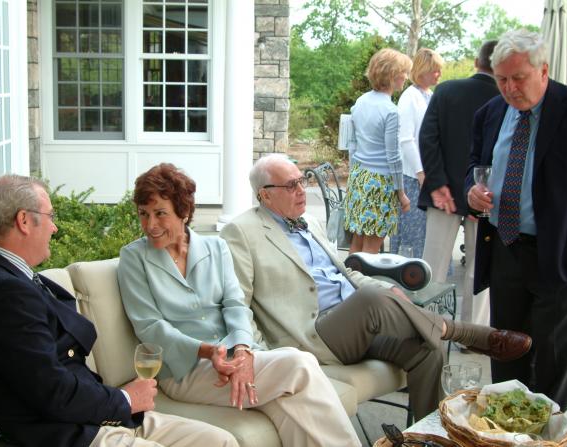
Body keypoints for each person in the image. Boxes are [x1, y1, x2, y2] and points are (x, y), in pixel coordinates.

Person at [220, 153, 533, 420]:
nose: (302, 190)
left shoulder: (309, 223)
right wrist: (259, 356)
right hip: (313, 335)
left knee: (428, 349)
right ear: (264, 194)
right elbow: (238, 301)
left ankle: (425, 436)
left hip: (354, 324)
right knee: (374, 297)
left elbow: (343, 274)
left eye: (302, 180)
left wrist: (388, 295)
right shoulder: (243, 232)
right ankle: (468, 333)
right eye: (291, 185)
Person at [0, 175, 238, 447]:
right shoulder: (3, 292)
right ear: (24, 220)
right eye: (51, 216)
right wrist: (125, 399)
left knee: (220, 441)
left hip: (90, 412)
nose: (54, 227)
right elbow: (51, 391)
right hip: (52, 432)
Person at [117, 163, 360, 447]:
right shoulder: (134, 258)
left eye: (160, 214)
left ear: (183, 212)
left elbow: (235, 304)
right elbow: (150, 327)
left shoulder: (215, 248)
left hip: (236, 357)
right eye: (143, 215)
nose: (150, 225)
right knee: (300, 363)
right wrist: (211, 352)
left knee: (292, 407)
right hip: (186, 369)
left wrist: (242, 352)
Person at [465, 30, 567, 409]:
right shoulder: (490, 113)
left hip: (563, 255)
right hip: (505, 249)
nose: (510, 88)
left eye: (519, 78)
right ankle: (504, 433)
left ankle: (548, 435)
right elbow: (475, 167)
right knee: (506, 355)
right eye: (502, 79)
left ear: (543, 70)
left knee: (553, 363)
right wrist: (471, 190)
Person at [418, 40, 500, 327]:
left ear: (477, 61)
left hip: (444, 194)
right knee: (480, 269)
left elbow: (427, 139)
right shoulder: (505, 99)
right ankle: (473, 334)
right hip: (487, 195)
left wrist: (438, 182)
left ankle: (428, 327)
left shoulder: (447, 90)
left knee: (433, 266)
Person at [343, 48, 412, 254]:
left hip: (359, 177)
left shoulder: (361, 102)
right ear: (392, 75)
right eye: (403, 72)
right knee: (372, 247)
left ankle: (351, 284)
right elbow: (393, 156)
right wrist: (401, 193)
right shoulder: (391, 111)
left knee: (357, 243)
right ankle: (366, 286)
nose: (406, 78)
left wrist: (352, 177)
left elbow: (352, 145)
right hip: (380, 185)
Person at [390, 48, 444, 259]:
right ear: (422, 70)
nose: (439, 74)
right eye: (435, 70)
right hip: (413, 176)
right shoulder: (409, 97)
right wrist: (420, 172)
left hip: (429, 174)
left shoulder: (430, 95)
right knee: (413, 234)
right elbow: (405, 139)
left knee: (430, 235)